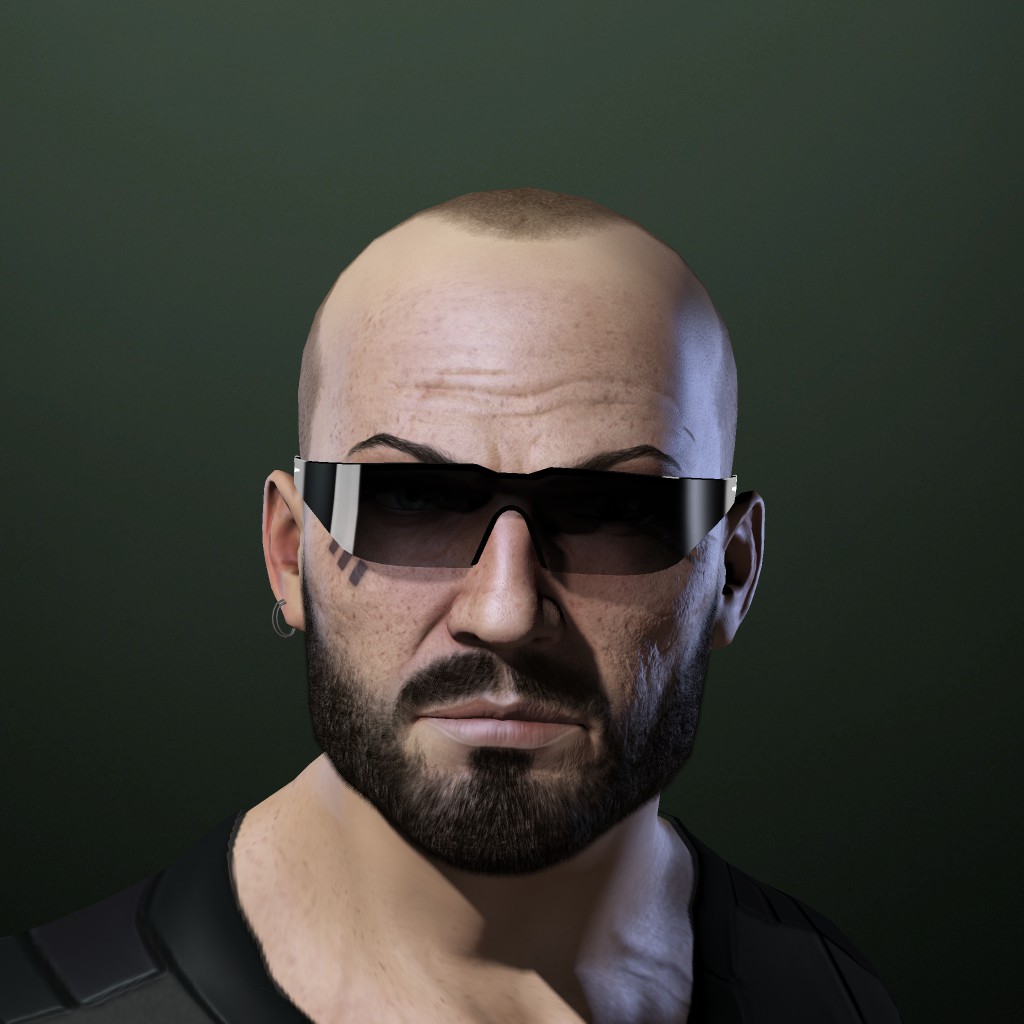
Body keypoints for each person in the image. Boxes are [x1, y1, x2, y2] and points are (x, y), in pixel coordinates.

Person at [0, 188, 903, 1023]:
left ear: (732, 574)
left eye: (613, 513)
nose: (504, 611)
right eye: (411, 501)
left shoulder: (831, 998)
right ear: (289, 553)